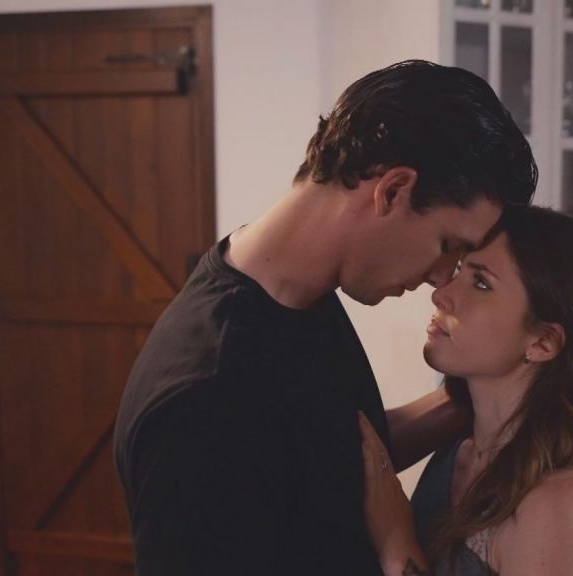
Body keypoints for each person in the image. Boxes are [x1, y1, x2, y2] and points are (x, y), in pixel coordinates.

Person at [112, 60, 536, 575]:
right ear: (393, 191)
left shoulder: (299, 297)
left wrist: (478, 398)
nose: (442, 277)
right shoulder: (209, 395)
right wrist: (399, 549)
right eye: (448, 245)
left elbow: (327, 457)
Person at [359, 206, 573, 576]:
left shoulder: (565, 500)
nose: (441, 294)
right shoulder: (460, 448)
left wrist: (396, 544)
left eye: (481, 283)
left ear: (543, 342)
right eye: (459, 271)